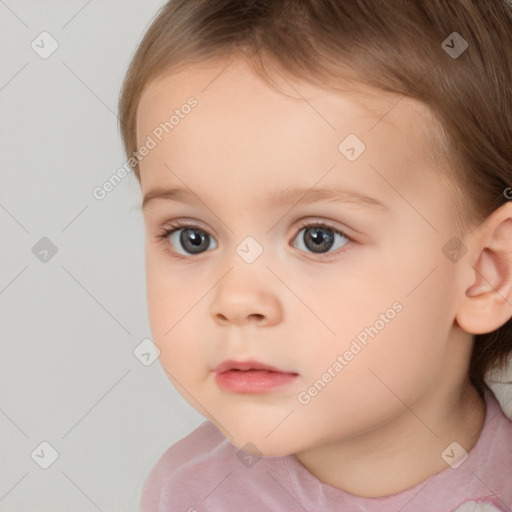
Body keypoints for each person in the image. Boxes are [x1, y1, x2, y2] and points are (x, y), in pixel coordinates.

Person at [117, 1, 512, 510]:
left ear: (487, 273)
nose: (236, 300)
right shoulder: (192, 493)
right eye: (192, 237)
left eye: (318, 237)